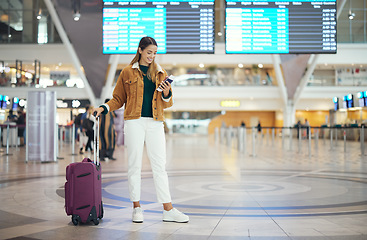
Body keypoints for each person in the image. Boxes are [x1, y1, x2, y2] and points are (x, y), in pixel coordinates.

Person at [93, 36, 189, 223]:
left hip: (155, 122)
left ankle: (168, 209)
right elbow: (118, 99)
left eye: (154, 53)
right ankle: (136, 208)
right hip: (134, 122)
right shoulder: (127, 72)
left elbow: (167, 103)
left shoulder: (161, 73)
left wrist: (168, 92)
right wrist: (103, 108)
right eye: (148, 52)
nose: (152, 56)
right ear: (140, 50)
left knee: (159, 166)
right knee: (134, 165)